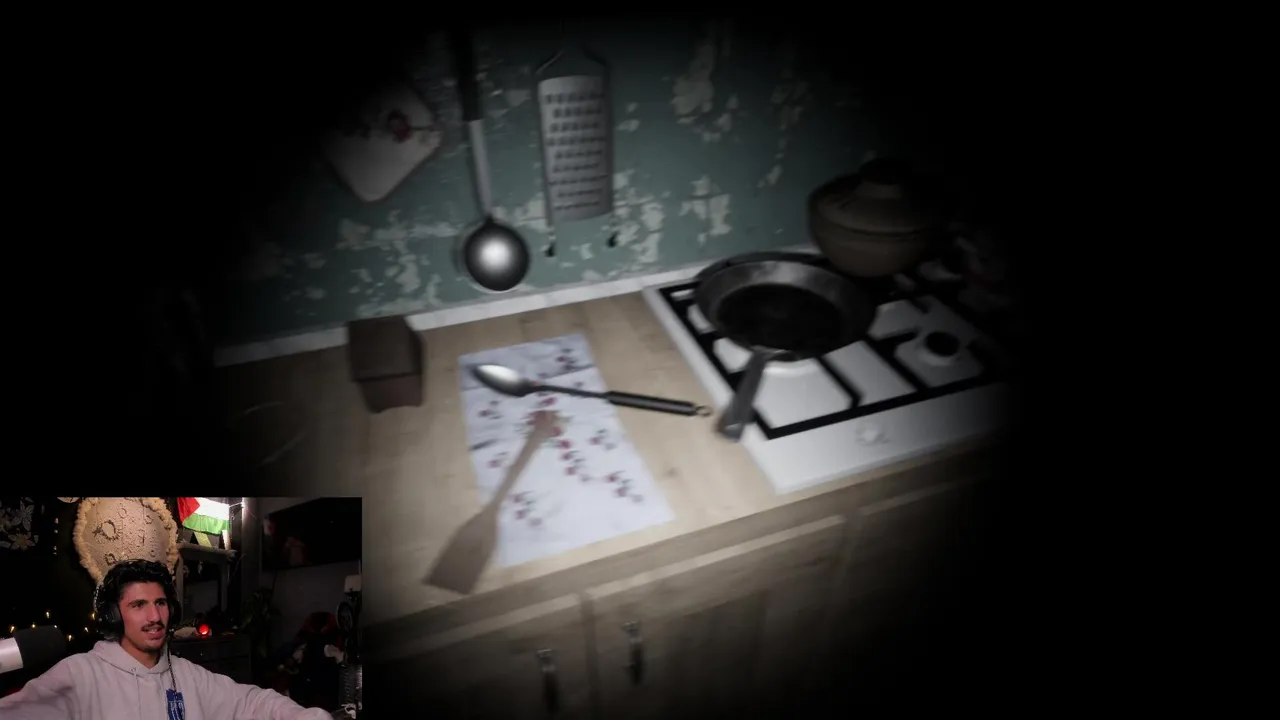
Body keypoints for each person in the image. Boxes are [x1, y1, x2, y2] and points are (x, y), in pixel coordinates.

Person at [0, 558, 333, 719]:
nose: (155, 617)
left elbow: (250, 702)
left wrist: (308, 717)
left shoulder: (186, 674)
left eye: (160, 603)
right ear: (114, 616)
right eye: (138, 605)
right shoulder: (80, 674)